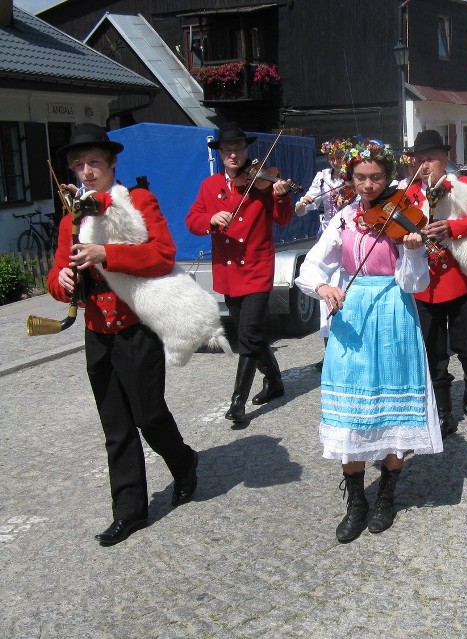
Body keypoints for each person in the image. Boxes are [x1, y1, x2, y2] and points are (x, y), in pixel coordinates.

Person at [47, 123, 199, 546]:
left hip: (137, 325)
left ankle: (184, 463)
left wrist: (106, 254)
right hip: (97, 332)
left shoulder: (138, 200)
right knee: (116, 426)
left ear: (112, 164)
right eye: (79, 165)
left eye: (94, 162)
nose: (87, 171)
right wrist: (62, 280)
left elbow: (163, 254)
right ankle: (130, 511)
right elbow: (56, 281)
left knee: (149, 415)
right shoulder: (70, 221)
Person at [294, 141, 442, 543]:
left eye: (376, 177)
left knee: (393, 408)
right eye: (361, 177)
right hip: (352, 313)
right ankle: (356, 501)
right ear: (350, 178)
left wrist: (412, 253)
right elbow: (311, 266)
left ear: (387, 176)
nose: (369, 185)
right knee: (350, 412)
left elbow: (415, 284)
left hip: (394, 311)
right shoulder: (343, 219)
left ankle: (387, 496)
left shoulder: (404, 218)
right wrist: (324, 287)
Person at [185, 123, 295, 423]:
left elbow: (283, 219)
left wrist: (282, 195)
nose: (234, 154)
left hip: (257, 268)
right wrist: (210, 218)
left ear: (247, 151)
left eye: (239, 149)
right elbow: (192, 220)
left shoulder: (263, 183)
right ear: (220, 153)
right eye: (228, 149)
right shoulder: (210, 187)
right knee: (253, 334)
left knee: (247, 335)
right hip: (228, 271)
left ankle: (237, 402)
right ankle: (274, 381)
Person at [404, 130, 467, 436]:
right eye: (420, 159)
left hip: (459, 281)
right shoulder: (407, 194)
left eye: (431, 158)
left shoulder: (465, 184)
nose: (425, 164)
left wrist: (454, 227)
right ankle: (444, 412)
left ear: (445, 159)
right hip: (425, 285)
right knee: (433, 353)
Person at [295, 138, 353, 369]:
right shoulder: (323, 177)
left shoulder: (353, 178)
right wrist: (302, 204)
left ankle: (347, 343)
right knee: (324, 293)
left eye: (339, 157)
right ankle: (328, 349)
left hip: (348, 234)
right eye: (332, 157)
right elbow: (307, 203)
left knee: (345, 288)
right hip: (327, 236)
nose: (335, 161)